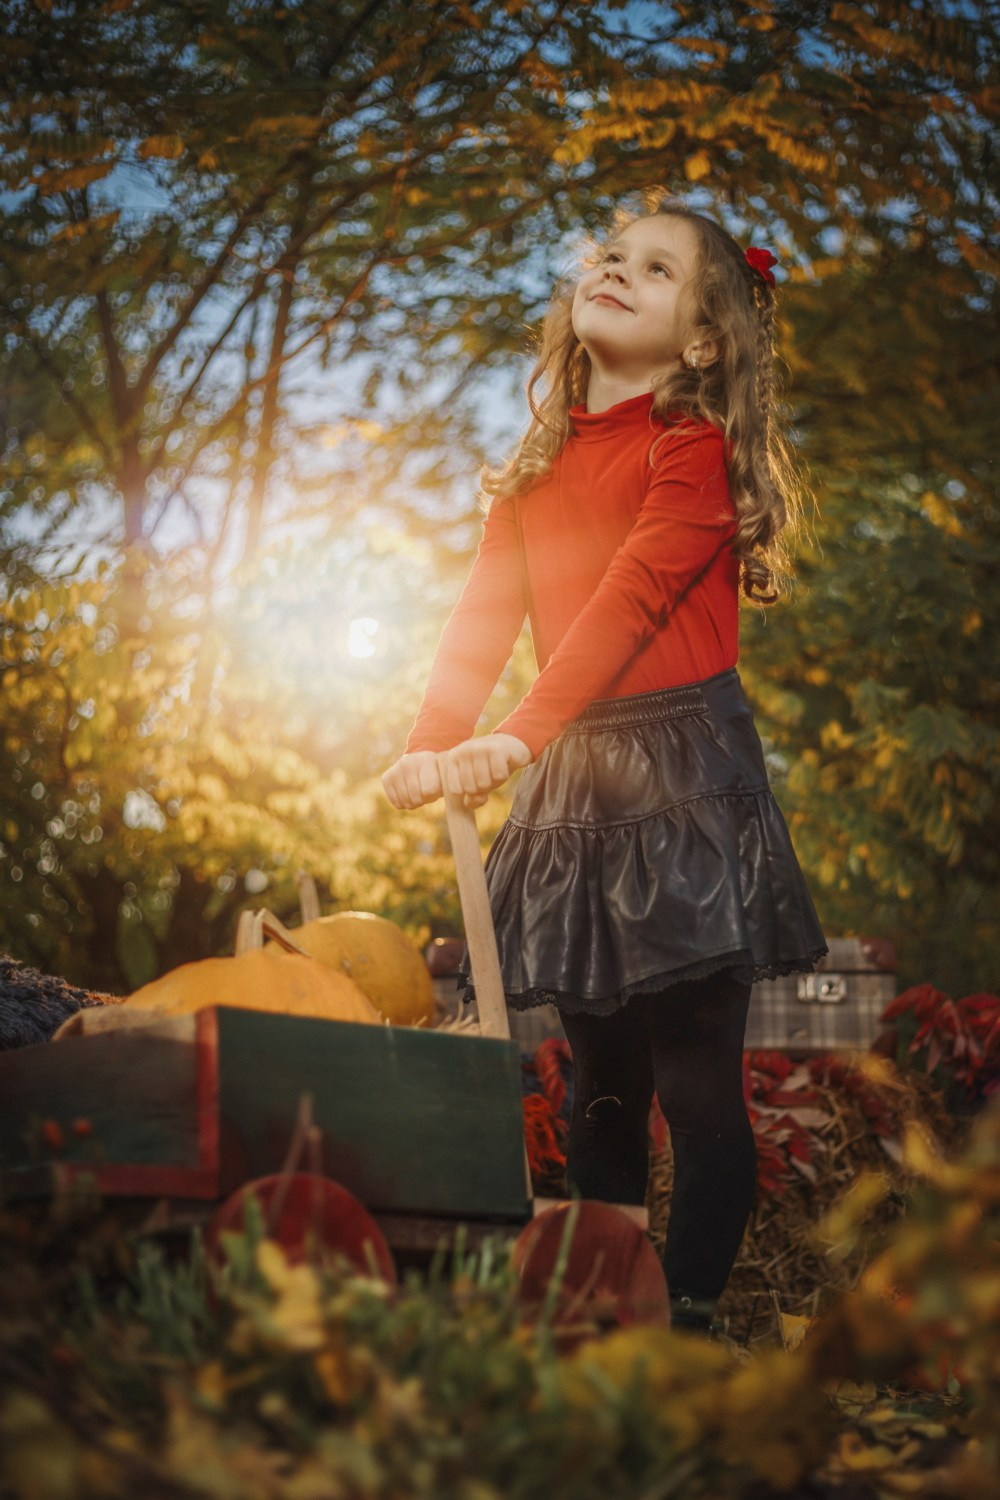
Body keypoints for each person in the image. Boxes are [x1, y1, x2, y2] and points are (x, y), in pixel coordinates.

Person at [381, 189, 828, 1338]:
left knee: (694, 1082)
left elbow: (627, 603)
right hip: (576, 781)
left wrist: (515, 734)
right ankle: (604, 1325)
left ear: (704, 342)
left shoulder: (691, 452)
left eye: (656, 268)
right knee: (601, 1088)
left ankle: (684, 1330)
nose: (616, 268)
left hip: (682, 780)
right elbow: (483, 617)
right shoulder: (532, 472)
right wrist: (431, 742)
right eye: (612, 254)